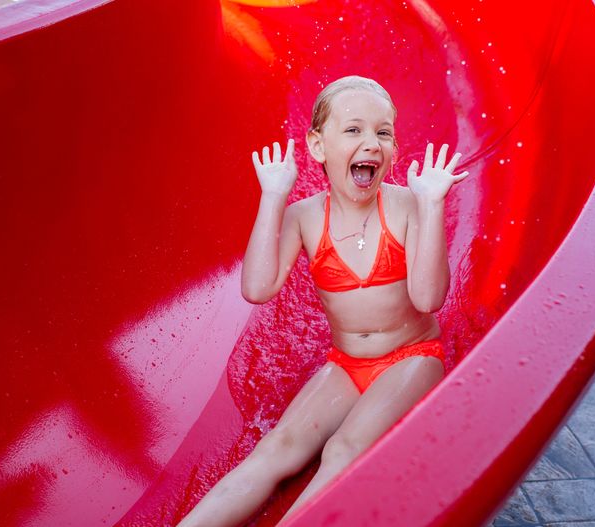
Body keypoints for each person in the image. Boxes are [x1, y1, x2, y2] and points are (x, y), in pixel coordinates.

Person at [177, 75, 469, 527]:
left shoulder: (409, 205)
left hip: (411, 358)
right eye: (353, 130)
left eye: (383, 132)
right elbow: (257, 288)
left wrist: (431, 206)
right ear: (317, 145)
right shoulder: (304, 216)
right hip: (346, 363)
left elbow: (429, 299)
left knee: (343, 450)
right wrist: (273, 197)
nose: (371, 142)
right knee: (276, 449)